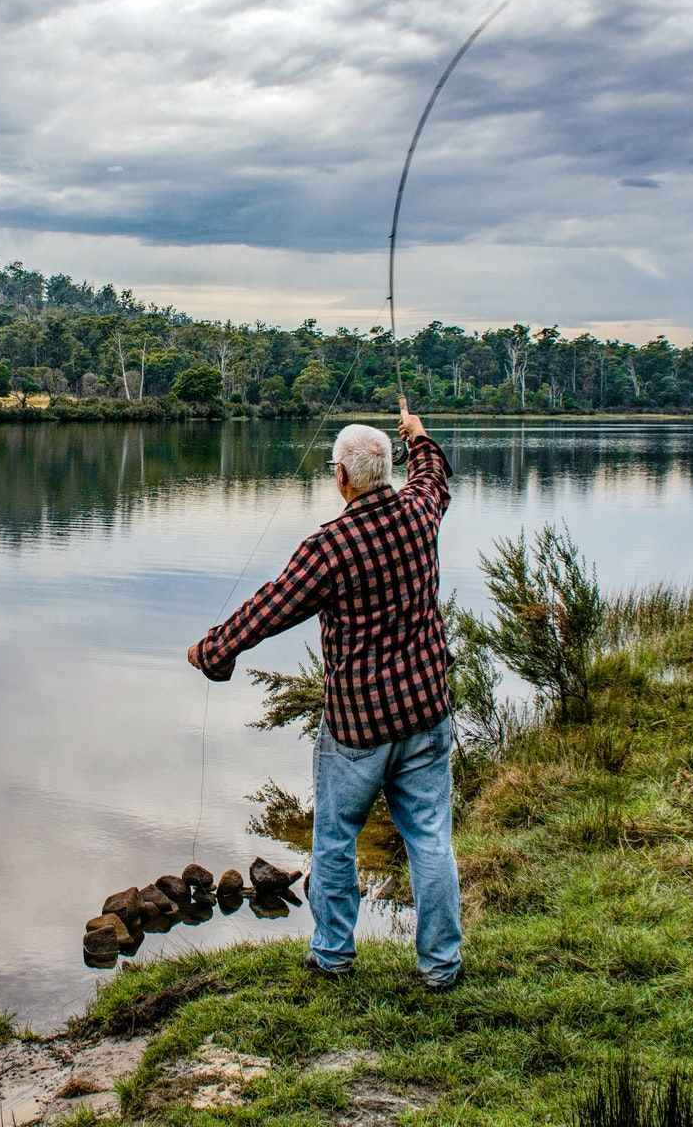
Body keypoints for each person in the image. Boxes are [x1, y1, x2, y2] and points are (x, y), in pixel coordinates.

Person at [186, 398, 460, 989]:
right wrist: (418, 434)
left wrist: (215, 651)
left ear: (340, 477)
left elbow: (271, 607)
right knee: (431, 840)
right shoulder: (419, 513)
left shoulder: (329, 547)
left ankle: (333, 956)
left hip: (359, 727)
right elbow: (434, 474)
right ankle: (441, 966)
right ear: (385, 472)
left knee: (336, 841)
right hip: (426, 714)